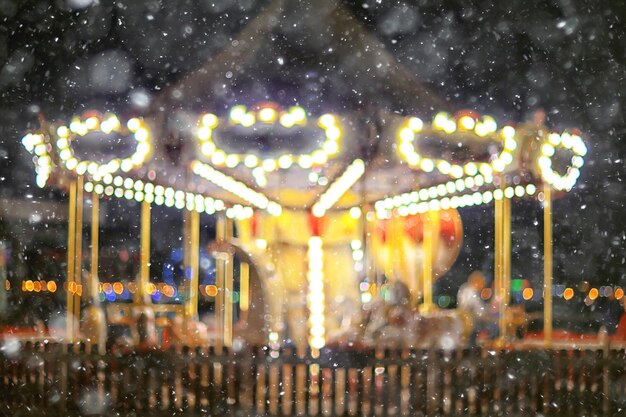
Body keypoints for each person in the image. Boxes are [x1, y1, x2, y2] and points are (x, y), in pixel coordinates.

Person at [457, 271, 498, 346]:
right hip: (470, 325)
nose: (482, 286)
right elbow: (478, 310)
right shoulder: (470, 292)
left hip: (468, 324)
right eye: (482, 283)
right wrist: (489, 314)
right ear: (476, 281)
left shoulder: (467, 290)